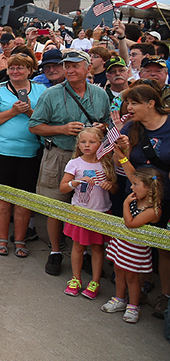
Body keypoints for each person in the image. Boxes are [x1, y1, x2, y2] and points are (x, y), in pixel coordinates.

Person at [29, 49, 110, 275]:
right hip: (59, 154)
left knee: (89, 204)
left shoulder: (100, 95)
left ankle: (84, 252)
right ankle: (55, 252)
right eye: (67, 66)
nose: (70, 70)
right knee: (55, 204)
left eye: (75, 65)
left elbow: (106, 123)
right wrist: (61, 129)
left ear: (88, 69)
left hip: (92, 158)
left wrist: (101, 128)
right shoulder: (51, 94)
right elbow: (34, 126)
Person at [112, 84, 170, 319]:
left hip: (166, 198)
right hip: (135, 196)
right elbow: (120, 164)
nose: (129, 107)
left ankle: (164, 297)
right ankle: (134, 293)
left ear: (151, 103)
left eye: (134, 103)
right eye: (128, 103)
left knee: (164, 251)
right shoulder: (129, 127)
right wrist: (121, 151)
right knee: (134, 245)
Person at [0, 54, 46, 257]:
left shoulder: (41, 90)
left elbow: (46, 120)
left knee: (23, 199)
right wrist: (12, 111)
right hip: (1, 152)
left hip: (30, 153)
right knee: (1, 198)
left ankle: (19, 239)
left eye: (20, 68)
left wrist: (28, 112)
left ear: (30, 70)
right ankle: (2, 238)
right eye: (12, 68)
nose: (15, 72)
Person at [59, 126, 116, 300]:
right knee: (77, 247)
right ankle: (75, 279)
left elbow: (115, 189)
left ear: (101, 144)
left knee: (98, 248)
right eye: (83, 142)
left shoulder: (106, 163)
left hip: (100, 212)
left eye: (92, 142)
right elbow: (62, 188)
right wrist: (75, 182)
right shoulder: (74, 163)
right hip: (79, 212)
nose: (87, 145)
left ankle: (95, 282)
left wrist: (110, 186)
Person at [100, 167, 162, 324]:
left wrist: (125, 204)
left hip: (136, 249)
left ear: (148, 188)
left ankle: (133, 305)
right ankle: (120, 298)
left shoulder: (153, 210)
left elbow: (130, 223)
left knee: (133, 278)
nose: (132, 188)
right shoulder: (136, 200)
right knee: (119, 271)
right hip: (122, 243)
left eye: (135, 184)